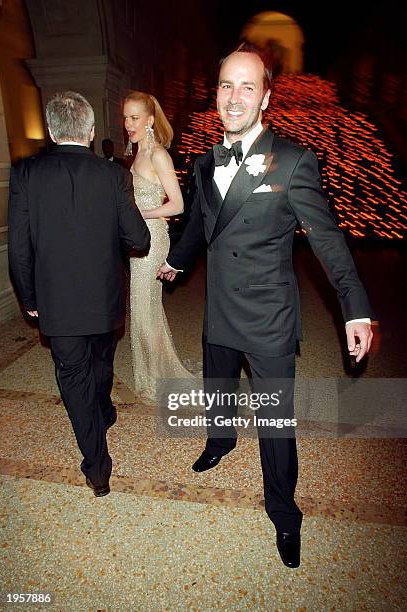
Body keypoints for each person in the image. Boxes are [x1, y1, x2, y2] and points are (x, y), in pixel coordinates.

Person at [158, 43, 375, 568]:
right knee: (217, 387)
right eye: (226, 85)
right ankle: (220, 440)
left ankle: (285, 514)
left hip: (269, 316)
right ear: (216, 94)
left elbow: (328, 241)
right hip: (219, 313)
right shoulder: (204, 162)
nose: (235, 97)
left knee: (276, 425)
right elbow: (202, 228)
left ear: (266, 98)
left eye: (247, 86)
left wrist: (356, 307)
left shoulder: (294, 160)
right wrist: (177, 263)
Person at [8, 91, 150, 497]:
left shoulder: (26, 174)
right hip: (104, 298)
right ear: (90, 132)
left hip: (56, 300)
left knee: (73, 377)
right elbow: (138, 238)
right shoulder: (113, 175)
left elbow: (19, 248)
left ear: (52, 131)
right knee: (101, 361)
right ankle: (102, 413)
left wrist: (30, 299)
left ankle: (97, 465)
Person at [123, 91, 192, 400]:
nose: (128, 124)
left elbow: (177, 205)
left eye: (134, 118)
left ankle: (154, 380)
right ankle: (152, 374)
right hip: (139, 241)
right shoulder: (138, 152)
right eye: (125, 117)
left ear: (149, 120)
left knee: (142, 308)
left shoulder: (158, 154)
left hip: (153, 242)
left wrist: (142, 214)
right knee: (144, 309)